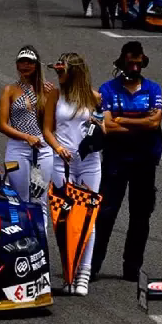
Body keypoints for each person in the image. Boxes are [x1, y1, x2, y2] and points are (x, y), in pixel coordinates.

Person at [91, 41, 162, 282]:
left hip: (144, 160)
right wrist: (140, 121)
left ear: (143, 61)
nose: (134, 66)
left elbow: (155, 124)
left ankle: (132, 267)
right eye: (129, 62)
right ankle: (93, 265)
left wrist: (123, 120)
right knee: (106, 213)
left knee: (140, 215)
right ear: (122, 61)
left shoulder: (153, 89)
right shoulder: (108, 89)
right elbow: (108, 126)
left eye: (137, 62)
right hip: (116, 159)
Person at [46, 53, 104, 296]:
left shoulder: (93, 96)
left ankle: (84, 273)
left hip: (89, 163)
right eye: (57, 71)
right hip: (62, 162)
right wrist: (58, 148)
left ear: (75, 72)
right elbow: (47, 129)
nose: (58, 75)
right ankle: (69, 272)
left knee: (87, 220)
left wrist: (96, 124)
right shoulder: (55, 95)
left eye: (62, 71)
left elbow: (105, 128)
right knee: (64, 219)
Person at [0, 45, 56, 232]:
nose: (25, 66)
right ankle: (23, 240)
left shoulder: (47, 90)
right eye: (22, 62)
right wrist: (26, 137)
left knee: (39, 199)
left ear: (37, 65)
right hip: (18, 147)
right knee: (20, 198)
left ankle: (41, 244)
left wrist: (50, 97)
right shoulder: (10, 90)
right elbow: (2, 125)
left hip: (43, 148)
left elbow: (54, 123)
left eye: (29, 62)